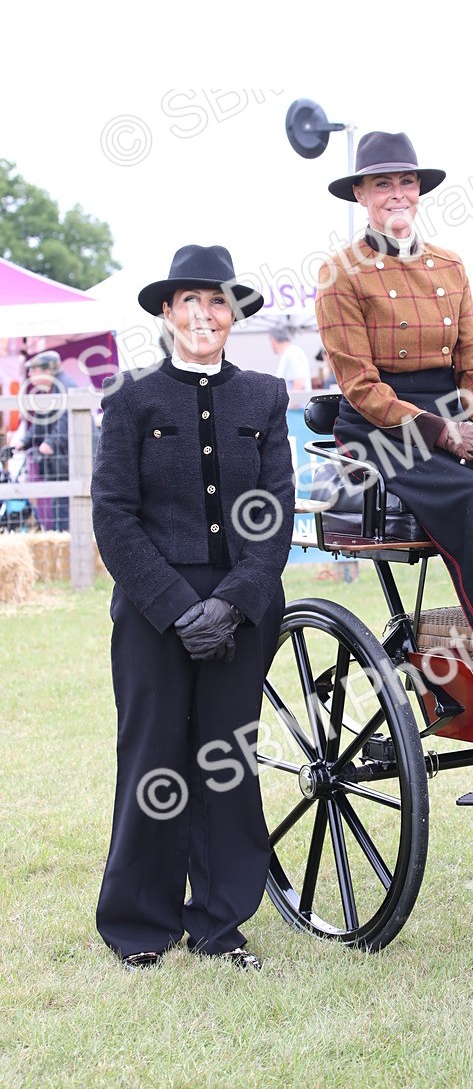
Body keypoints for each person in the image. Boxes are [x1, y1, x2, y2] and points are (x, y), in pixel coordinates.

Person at [91, 244, 295, 972]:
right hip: (154, 610)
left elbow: (275, 515)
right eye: (191, 302)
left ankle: (218, 923)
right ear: (169, 313)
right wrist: (179, 609)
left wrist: (235, 603)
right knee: (153, 756)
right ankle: (139, 925)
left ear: (233, 314)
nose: (206, 315)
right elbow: (114, 517)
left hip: (243, 607)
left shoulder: (265, 398)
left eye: (219, 302)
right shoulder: (131, 399)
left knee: (226, 760)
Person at [315, 131, 473, 681]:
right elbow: (360, 386)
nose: (396, 194)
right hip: (382, 429)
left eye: (406, 182)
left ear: (419, 191)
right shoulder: (339, 273)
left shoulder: (450, 265)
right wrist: (443, 433)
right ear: (360, 195)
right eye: (382, 184)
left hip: (455, 414)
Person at [14, 350, 76, 531]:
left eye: (33, 370)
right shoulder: (51, 390)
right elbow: (40, 422)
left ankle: (66, 545)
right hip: (61, 461)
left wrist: (50, 443)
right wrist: (24, 442)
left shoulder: (65, 387)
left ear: (48, 371)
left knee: (65, 507)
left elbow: (67, 419)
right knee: (58, 505)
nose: (30, 375)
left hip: (72, 460)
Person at [268, 325, 312, 391]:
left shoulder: (292, 353)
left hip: (296, 400)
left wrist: (292, 401)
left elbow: (300, 383)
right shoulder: (290, 353)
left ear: (273, 340)